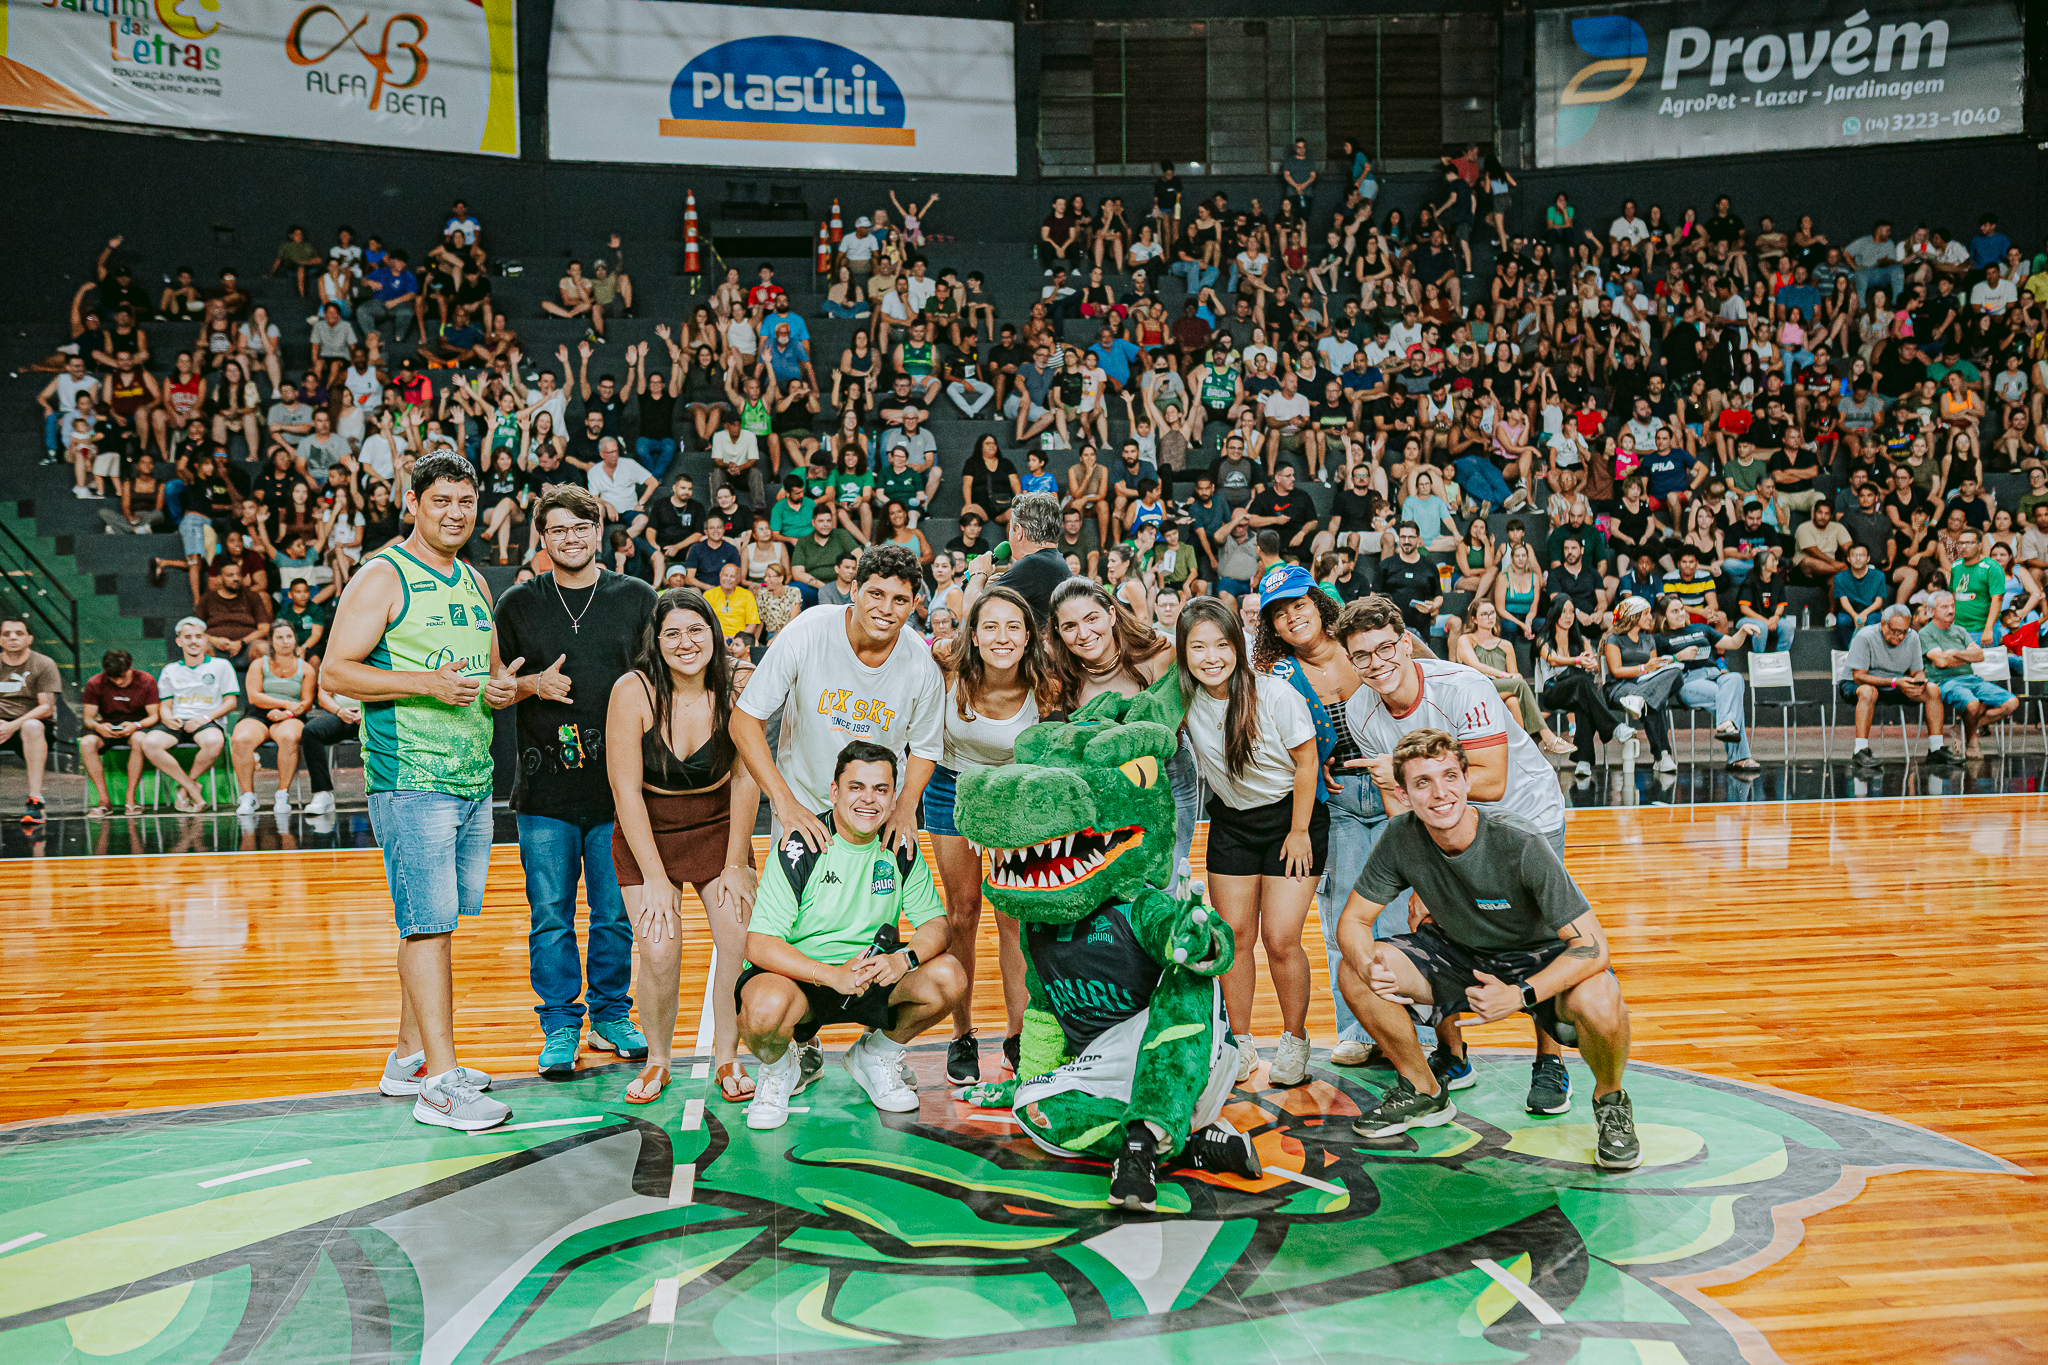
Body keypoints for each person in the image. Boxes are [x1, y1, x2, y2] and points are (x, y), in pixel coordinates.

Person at [1333, 728, 1642, 1169]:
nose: (1440, 793)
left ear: (1466, 780)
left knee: (1601, 997)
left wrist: (1520, 994)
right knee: (1354, 971)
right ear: (1403, 793)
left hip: (1540, 958)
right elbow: (1353, 921)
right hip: (1458, 954)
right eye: (1423, 782)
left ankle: (1611, 1101)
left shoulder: (1519, 840)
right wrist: (1367, 964)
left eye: (1449, 777)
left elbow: (1593, 948)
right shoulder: (1401, 836)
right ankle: (1423, 1090)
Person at [323, 453, 516, 1132]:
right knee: (427, 925)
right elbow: (335, 672)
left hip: (470, 775)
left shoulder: (473, 579)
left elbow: (489, 674)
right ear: (413, 503)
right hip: (412, 777)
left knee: (434, 924)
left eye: (465, 501)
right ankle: (440, 1084)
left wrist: (505, 687)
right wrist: (424, 684)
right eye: (441, 500)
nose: (455, 513)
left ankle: (408, 1059)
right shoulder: (382, 575)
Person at [1337, 594, 1574, 1112]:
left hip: (1525, 813)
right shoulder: (1360, 711)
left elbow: (1490, 781)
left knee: (1545, 936)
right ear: (1350, 661)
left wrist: (1402, 783)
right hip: (1441, 823)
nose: (1377, 663)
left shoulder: (1463, 687)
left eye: (1385, 648)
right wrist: (1418, 874)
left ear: (1406, 644)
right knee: (1431, 927)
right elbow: (1398, 804)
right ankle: (1453, 1056)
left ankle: (1550, 1061)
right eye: (1362, 656)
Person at [494, 485, 659, 1077]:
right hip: (545, 793)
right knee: (551, 916)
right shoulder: (516, 604)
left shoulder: (636, 597)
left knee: (615, 915)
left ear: (598, 533)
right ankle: (560, 1023)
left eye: (581, 528)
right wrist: (532, 685)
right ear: (543, 537)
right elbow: (492, 691)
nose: (570, 538)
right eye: (558, 529)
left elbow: (662, 679)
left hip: (621, 792)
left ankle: (612, 1014)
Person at [738, 741, 968, 1130]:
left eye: (880, 789)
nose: (869, 799)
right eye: (856, 787)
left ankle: (875, 1055)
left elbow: (937, 925)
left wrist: (903, 959)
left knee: (949, 976)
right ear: (834, 791)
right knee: (762, 1009)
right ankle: (779, 1071)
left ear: (893, 797)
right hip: (803, 979)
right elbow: (759, 944)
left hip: (870, 979)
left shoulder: (899, 846)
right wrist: (830, 975)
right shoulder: (801, 845)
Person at [605, 588, 762, 1104]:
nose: (685, 642)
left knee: (739, 939)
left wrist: (736, 862)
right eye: (671, 633)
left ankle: (727, 1055)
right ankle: (658, 1059)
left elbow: (746, 778)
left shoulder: (739, 684)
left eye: (695, 630)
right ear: (656, 641)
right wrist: (654, 877)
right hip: (648, 831)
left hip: (719, 826)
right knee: (658, 950)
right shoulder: (632, 691)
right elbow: (626, 792)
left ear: (713, 634)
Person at [1175, 596, 1325, 1087]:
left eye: (1221, 644)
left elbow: (1307, 762)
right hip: (1233, 823)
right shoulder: (1183, 699)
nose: (1211, 657)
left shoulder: (1274, 693)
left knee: (1281, 939)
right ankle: (1239, 1043)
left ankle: (1295, 1039)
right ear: (1184, 652)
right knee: (1235, 937)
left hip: (1291, 820)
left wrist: (1299, 831)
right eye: (1198, 646)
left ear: (1238, 646)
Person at [732, 542, 944, 859]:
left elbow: (925, 749)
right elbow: (744, 720)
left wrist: (905, 805)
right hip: (803, 805)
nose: (886, 609)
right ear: (854, 590)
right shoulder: (807, 631)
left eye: (899, 600)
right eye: (876, 594)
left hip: (875, 813)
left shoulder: (922, 665)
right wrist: (783, 800)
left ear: (914, 604)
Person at [1252, 565, 1382, 1067]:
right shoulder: (1278, 675)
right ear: (1273, 627)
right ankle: (1356, 1028)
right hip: (1338, 800)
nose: (1292, 617)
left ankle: (1417, 1031)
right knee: (1343, 919)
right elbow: (1275, 739)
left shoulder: (1361, 644)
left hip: (1394, 791)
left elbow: (1424, 683)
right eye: (1280, 614)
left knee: (1401, 914)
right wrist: (1307, 761)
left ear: (1318, 604)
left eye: (1299, 605)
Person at [925, 587, 1049, 1083]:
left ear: (1028, 636)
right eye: (990, 626)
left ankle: (1017, 1035)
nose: (1002, 637)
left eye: (1013, 626)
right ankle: (963, 1034)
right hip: (951, 788)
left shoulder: (1047, 684)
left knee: (1012, 916)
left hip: (1013, 792)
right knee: (963, 913)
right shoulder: (947, 669)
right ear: (973, 636)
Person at [141, 617, 241, 813]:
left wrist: (205, 718)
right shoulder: (170, 670)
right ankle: (191, 787)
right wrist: (167, 717)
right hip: (177, 720)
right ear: (179, 641)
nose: (193, 641)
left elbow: (231, 702)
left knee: (214, 742)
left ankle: (185, 789)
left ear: (205, 639)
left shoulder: (221, 666)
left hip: (207, 720)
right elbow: (166, 705)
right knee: (150, 743)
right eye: (187, 637)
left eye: (198, 636)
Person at [1656, 595, 1760, 774]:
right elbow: (1654, 665)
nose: (1680, 614)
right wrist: (1678, 657)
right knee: (1729, 699)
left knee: (1735, 678)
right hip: (1687, 680)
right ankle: (1739, 757)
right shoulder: (1660, 638)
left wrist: (1742, 630)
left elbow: (1733, 643)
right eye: (1674, 611)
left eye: (1681, 609)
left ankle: (1727, 725)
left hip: (1714, 674)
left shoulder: (1701, 629)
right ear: (1664, 617)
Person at [1842, 605, 1948, 768]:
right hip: (1858, 684)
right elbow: (1858, 677)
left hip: (1896, 683)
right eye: (1895, 631)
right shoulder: (1865, 636)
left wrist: (1919, 681)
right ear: (1883, 624)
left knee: (1932, 689)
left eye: (1904, 631)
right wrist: (1894, 682)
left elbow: (1917, 671)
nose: (1900, 636)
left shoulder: (1913, 637)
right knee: (1868, 691)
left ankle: (1936, 749)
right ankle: (1860, 750)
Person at [230, 620, 317, 815]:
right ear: (271, 641)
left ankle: (282, 794)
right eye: (279, 637)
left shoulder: (306, 669)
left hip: (290, 716)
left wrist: (287, 712)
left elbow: (306, 703)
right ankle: (248, 796)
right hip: (259, 713)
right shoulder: (259, 664)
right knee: (240, 739)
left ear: (295, 639)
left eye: (289, 637)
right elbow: (254, 697)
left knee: (289, 737)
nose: (285, 641)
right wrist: (285, 703)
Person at [1919, 590, 2018, 759]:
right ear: (1932, 611)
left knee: (2011, 703)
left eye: (1952, 606)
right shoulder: (1925, 633)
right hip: (1945, 681)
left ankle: (1962, 730)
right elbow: (1941, 661)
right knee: (1973, 704)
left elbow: (1979, 656)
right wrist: (1966, 655)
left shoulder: (1960, 630)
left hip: (1971, 679)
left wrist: (1953, 653)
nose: (1951, 610)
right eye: (1944, 607)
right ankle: (1972, 741)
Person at [963, 491, 1067, 623]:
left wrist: (978, 574)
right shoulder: (1054, 560)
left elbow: (971, 613)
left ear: (1019, 531)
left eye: (1011, 528)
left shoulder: (1033, 564)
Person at [79, 648, 159, 817]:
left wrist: (135, 725)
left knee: (139, 740)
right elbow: (88, 719)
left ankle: (131, 799)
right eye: (113, 678)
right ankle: (104, 801)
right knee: (87, 743)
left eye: (122, 676)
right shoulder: (95, 682)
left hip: (137, 724)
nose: (118, 681)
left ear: (131, 667)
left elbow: (154, 716)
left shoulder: (146, 680)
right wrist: (99, 727)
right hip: (107, 726)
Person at [0, 618, 60, 821]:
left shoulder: (44, 664)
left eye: (19, 633)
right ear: (0, 640)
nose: (13, 637)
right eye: (7, 634)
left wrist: (12, 726)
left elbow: (46, 707)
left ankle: (35, 801)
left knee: (31, 726)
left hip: (33, 729)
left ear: (29, 639)